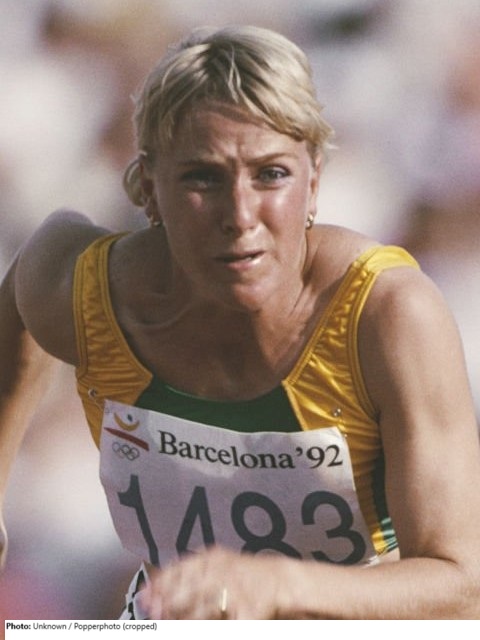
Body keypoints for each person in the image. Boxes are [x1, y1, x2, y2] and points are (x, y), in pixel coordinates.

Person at [1, 25, 480, 620]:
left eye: (271, 174)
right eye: (202, 177)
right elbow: (24, 285)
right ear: (148, 187)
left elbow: (464, 587)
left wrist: (276, 585)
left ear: (314, 182)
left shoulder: (388, 314)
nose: (240, 214)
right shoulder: (91, 294)